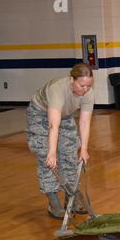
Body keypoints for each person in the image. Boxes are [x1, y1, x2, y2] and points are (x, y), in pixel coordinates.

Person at [27, 63, 95, 219]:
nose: (85, 89)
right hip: (40, 115)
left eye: (89, 86)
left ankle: (71, 197)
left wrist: (84, 148)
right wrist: (51, 152)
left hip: (64, 115)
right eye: (82, 85)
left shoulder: (88, 93)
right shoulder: (57, 89)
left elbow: (84, 123)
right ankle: (53, 203)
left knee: (70, 154)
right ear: (72, 80)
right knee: (47, 158)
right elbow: (53, 125)